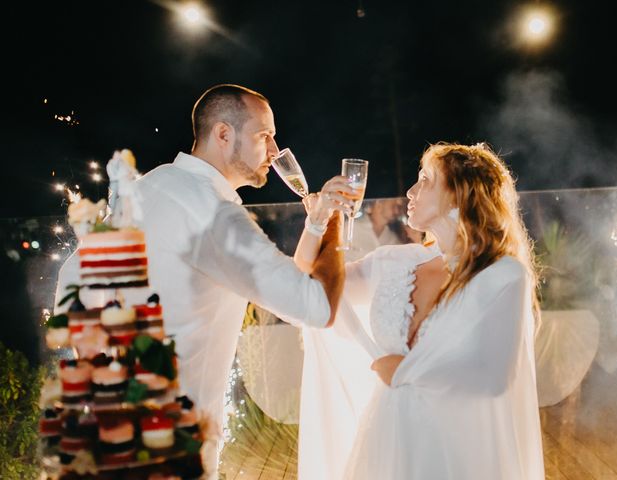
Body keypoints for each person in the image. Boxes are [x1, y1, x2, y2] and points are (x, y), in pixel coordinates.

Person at [294, 142, 545, 479]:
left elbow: (494, 377)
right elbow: (314, 280)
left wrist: (405, 371)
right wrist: (319, 220)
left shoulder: (502, 275)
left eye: (426, 180)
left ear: (458, 195)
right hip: (387, 439)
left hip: (459, 448)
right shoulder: (394, 262)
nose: (411, 191)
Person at [135, 84, 345, 477]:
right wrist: (334, 228)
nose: (273, 150)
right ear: (223, 134)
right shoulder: (215, 213)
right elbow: (314, 307)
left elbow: (70, 282)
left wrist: (313, 225)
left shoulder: (146, 187)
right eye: (264, 135)